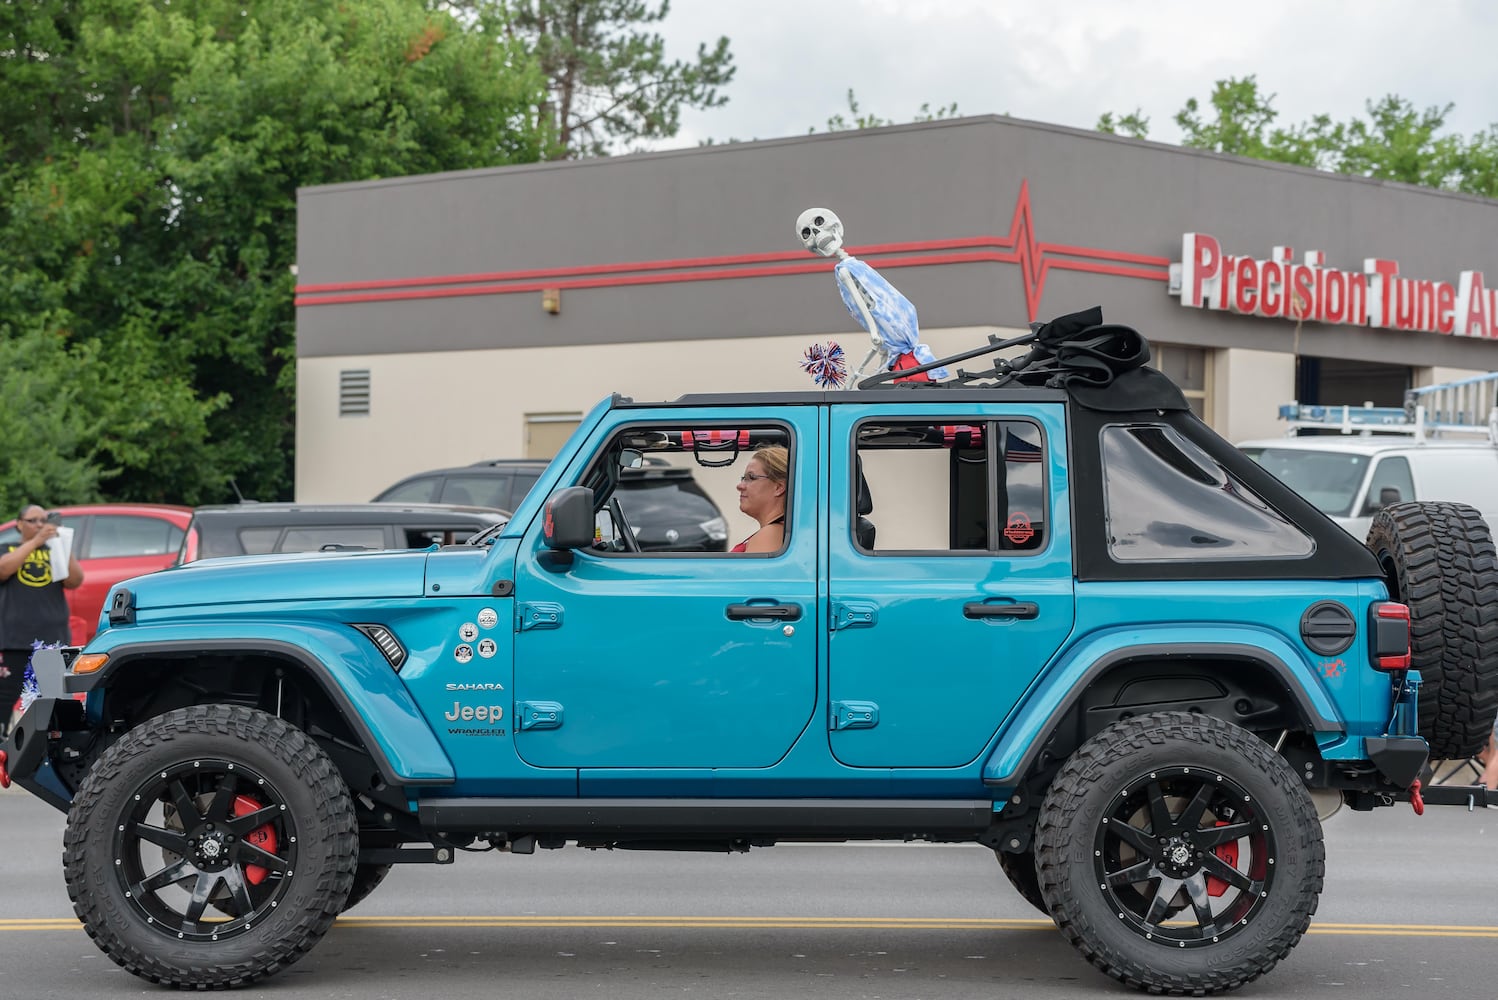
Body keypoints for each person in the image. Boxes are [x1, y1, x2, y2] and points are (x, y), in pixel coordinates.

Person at [0, 505, 84, 730]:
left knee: (53, 696)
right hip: (15, 638)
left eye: (43, 520)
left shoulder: (54, 550)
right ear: (19, 524)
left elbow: (74, 580)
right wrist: (36, 542)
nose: (40, 525)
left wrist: (61, 545)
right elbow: (3, 570)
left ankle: (53, 742)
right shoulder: (7, 547)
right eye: (33, 520)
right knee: (6, 697)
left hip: (51, 635)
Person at [731, 445, 788, 553]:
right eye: (743, 478)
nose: (740, 486)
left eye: (751, 478)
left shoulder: (770, 535)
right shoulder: (778, 533)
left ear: (779, 487)